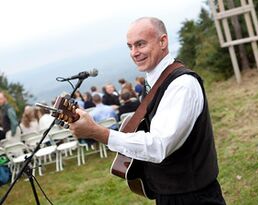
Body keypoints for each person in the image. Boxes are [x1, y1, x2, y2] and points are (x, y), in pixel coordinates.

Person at [69, 17, 226, 205]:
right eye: (130, 47)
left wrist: (97, 132)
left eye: (140, 44)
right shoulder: (153, 79)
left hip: (192, 195)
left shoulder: (182, 85)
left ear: (163, 41)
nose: (134, 53)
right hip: (167, 191)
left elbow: (159, 146)